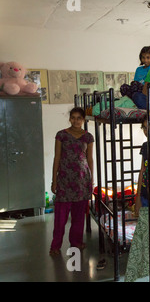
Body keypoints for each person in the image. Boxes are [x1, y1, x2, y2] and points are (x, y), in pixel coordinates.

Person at [49, 107, 94, 256]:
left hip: (82, 180)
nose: (76, 120)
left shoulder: (88, 137)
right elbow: (57, 158)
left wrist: (91, 180)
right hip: (64, 180)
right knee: (60, 217)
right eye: (73, 117)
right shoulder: (61, 135)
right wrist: (54, 180)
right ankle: (55, 246)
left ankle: (76, 242)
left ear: (83, 120)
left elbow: (90, 159)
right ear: (70, 119)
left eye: (79, 118)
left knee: (79, 215)